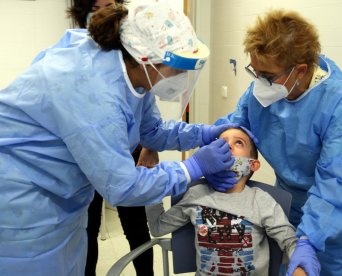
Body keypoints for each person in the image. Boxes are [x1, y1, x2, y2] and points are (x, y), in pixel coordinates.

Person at [0, 3, 239, 275]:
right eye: (178, 69)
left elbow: (151, 131)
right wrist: (190, 168)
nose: (182, 79)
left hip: (61, 199)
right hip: (21, 205)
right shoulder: (94, 91)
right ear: (145, 59)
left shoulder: (130, 72)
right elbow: (122, 186)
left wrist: (202, 134)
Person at [211, 9, 342, 276]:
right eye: (255, 72)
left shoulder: (340, 104)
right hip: (291, 201)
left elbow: (336, 183)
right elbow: (235, 126)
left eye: (267, 76)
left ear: (300, 71)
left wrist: (307, 241)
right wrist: (204, 148)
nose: (258, 83)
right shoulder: (264, 90)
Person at [145, 127, 320, 276]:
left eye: (238, 143)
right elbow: (158, 227)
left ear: (252, 165)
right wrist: (152, 181)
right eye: (221, 142)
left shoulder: (261, 200)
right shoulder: (196, 195)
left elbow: (289, 240)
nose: (227, 145)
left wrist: (300, 265)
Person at [67, 1, 157, 275]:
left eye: (111, 6)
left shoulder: (131, 52)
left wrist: (150, 145)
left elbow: (147, 109)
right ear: (84, 15)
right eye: (97, 7)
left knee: (136, 225)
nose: (106, 13)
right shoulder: (71, 61)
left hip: (129, 149)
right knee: (88, 226)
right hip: (88, 154)